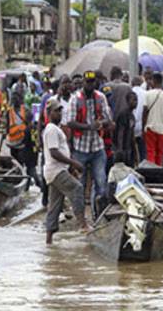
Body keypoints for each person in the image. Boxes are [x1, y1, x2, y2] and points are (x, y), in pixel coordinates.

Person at [43, 98, 88, 245]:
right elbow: (54, 152)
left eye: (60, 110)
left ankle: (48, 240)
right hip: (55, 171)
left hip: (55, 171)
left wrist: (70, 168)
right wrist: (74, 163)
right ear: (49, 113)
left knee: (54, 206)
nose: (59, 113)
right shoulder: (51, 129)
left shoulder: (55, 129)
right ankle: (82, 225)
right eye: (56, 111)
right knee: (77, 188)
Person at [67, 70, 112, 216]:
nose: (90, 85)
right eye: (87, 82)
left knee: (101, 182)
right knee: (80, 184)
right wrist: (88, 126)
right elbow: (70, 122)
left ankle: (97, 214)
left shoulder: (101, 97)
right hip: (80, 148)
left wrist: (101, 123)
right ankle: (80, 217)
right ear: (84, 83)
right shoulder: (75, 99)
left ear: (95, 83)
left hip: (98, 147)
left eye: (92, 82)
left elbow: (108, 118)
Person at [113, 92, 137, 167]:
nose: (135, 102)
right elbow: (120, 132)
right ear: (127, 101)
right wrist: (120, 150)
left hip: (129, 148)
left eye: (136, 100)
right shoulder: (123, 114)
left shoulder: (132, 116)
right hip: (123, 148)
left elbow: (132, 133)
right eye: (133, 100)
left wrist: (135, 151)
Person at [131, 76, 146, 162]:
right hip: (142, 124)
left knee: (132, 148)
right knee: (142, 149)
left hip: (131, 125)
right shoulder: (145, 93)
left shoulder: (130, 92)